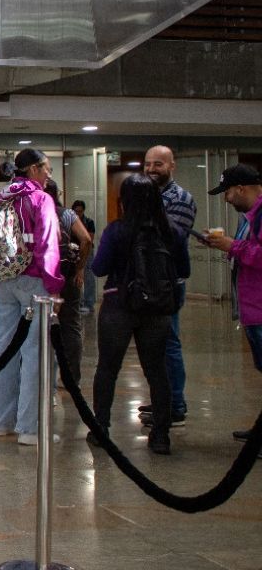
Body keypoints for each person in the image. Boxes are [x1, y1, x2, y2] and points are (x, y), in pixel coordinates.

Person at [88, 174, 189, 455]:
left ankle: (101, 429)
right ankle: (160, 436)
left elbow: (99, 268)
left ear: (125, 201)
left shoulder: (117, 230)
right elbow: (183, 271)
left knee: (108, 368)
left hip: (118, 306)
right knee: (157, 371)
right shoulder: (173, 232)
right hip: (157, 310)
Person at [0, 148, 63, 445]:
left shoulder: (0, 197)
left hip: (3, 279)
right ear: (33, 169)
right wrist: (54, 285)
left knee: (3, 347)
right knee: (36, 353)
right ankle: (30, 428)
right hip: (33, 281)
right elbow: (47, 246)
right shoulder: (40, 199)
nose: (48, 174)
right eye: (46, 168)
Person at [200, 164, 262, 449]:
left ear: (241, 188)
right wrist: (223, 245)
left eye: (227, 192)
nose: (225, 198)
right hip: (251, 309)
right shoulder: (247, 218)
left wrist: (231, 246)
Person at [141, 145, 195, 428]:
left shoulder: (181, 199)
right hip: (145, 282)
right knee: (154, 346)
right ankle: (162, 398)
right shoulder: (146, 195)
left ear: (171, 166)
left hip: (168, 283)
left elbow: (169, 238)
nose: (151, 169)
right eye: (148, 164)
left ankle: (176, 404)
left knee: (169, 342)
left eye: (158, 164)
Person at [45, 179, 92, 385]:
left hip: (45, 275)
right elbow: (86, 240)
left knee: (42, 326)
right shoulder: (67, 213)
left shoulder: (36, 211)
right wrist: (80, 268)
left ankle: (45, 378)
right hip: (69, 273)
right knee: (71, 325)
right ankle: (72, 377)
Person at [72, 200, 98, 313]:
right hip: (74, 250)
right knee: (75, 276)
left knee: (88, 276)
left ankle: (89, 302)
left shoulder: (89, 222)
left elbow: (89, 239)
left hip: (86, 250)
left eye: (80, 211)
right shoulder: (71, 221)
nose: (78, 214)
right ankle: (79, 302)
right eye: (76, 211)